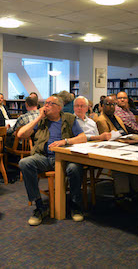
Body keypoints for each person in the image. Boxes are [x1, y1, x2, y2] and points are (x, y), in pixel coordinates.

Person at [17, 95, 87, 226]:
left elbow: (83, 137)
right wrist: (38, 118)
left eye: (50, 103)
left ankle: (75, 205)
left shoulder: (69, 119)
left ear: (59, 108)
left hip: (64, 158)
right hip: (44, 157)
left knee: (74, 168)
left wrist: (65, 141)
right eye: (45, 103)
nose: (46, 106)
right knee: (24, 163)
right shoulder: (41, 121)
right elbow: (21, 134)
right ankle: (39, 206)